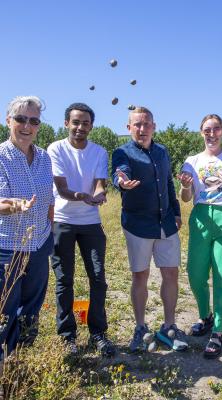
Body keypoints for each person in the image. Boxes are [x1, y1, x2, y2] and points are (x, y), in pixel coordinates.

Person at [111, 106, 187, 352]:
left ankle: (169, 327)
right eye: (137, 125)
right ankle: (140, 328)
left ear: (153, 126)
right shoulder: (122, 151)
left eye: (146, 124)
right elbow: (120, 171)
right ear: (129, 127)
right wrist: (122, 181)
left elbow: (168, 183)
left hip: (165, 223)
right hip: (138, 225)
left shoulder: (162, 151)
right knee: (140, 276)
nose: (142, 129)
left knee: (171, 274)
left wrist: (176, 211)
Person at [178, 114, 222, 358]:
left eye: (216, 129)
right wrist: (186, 185)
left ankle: (218, 330)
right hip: (200, 217)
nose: (212, 133)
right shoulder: (192, 161)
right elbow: (186, 197)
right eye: (207, 129)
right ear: (201, 133)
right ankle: (205, 315)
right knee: (195, 272)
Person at [47, 103, 115, 356]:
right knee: (64, 280)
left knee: (98, 278)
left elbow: (100, 184)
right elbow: (62, 189)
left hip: (90, 224)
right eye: (76, 122)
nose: (80, 127)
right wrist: (82, 196)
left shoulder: (98, 151)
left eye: (85, 123)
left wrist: (98, 195)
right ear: (67, 123)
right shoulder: (55, 148)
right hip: (62, 221)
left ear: (91, 126)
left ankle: (98, 332)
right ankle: (67, 337)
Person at [0, 96, 54, 360]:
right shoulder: (0, 156)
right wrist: (16, 205)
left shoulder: (44, 158)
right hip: (8, 248)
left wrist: (49, 232)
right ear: (8, 120)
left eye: (33, 121)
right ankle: (4, 364)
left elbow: (49, 199)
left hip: (40, 244)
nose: (26, 126)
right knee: (5, 310)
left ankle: (21, 360)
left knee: (31, 308)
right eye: (20, 119)